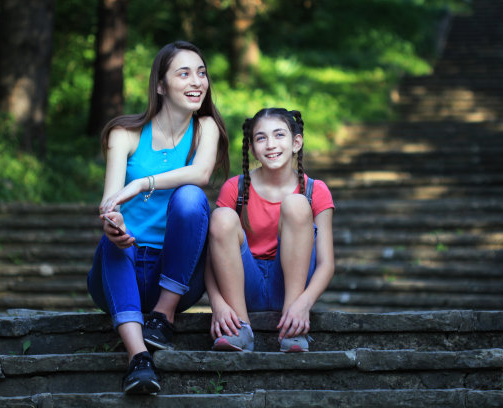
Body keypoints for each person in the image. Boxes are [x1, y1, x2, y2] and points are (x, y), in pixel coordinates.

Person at [87, 40, 229, 394]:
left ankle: (163, 316)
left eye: (201, 73)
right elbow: (109, 202)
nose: (197, 81)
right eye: (184, 73)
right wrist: (113, 222)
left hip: (177, 279)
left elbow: (199, 174)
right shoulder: (125, 133)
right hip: (124, 267)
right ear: (161, 85)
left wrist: (142, 184)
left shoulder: (205, 128)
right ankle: (139, 359)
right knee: (112, 244)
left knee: (191, 197)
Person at [205, 108, 334, 353]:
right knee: (221, 217)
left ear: (296, 142)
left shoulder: (315, 190)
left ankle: (292, 328)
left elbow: (327, 264)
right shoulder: (236, 188)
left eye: (279, 135)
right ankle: (240, 329)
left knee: (296, 204)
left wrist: (303, 305)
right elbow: (212, 256)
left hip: (289, 287)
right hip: (244, 287)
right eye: (261, 138)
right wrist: (218, 303)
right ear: (252, 148)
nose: (270, 144)